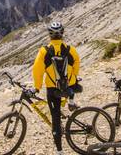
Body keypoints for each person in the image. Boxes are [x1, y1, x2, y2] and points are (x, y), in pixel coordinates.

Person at [32, 21, 81, 155]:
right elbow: (77, 62)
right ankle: (71, 102)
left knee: (55, 118)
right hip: (68, 87)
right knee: (71, 87)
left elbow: (37, 70)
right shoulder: (70, 50)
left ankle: (59, 151)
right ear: (62, 34)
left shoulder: (44, 51)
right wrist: (73, 76)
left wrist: (36, 87)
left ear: (49, 35)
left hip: (52, 89)